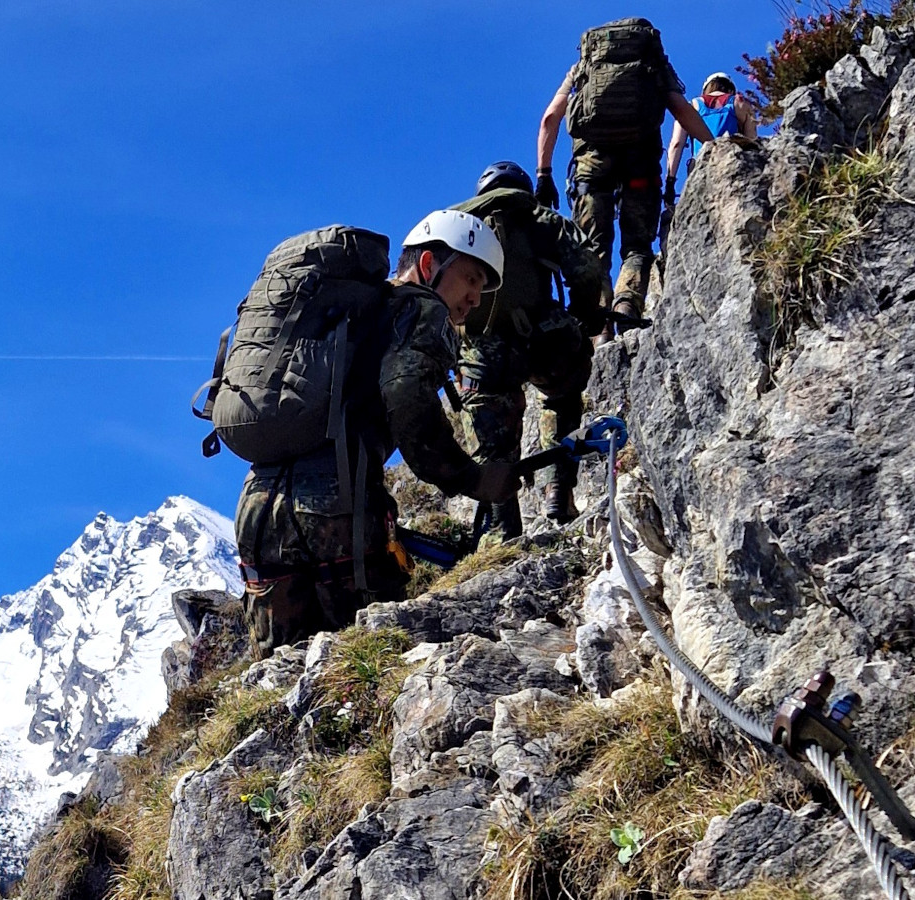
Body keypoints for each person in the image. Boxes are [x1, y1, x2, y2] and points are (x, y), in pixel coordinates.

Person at [236, 211, 520, 657]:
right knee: (367, 657)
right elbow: (408, 399)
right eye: (470, 278)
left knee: (284, 675)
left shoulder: (349, 313)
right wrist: (471, 478)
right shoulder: (422, 309)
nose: (474, 298)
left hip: (257, 506)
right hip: (336, 507)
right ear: (429, 266)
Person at [452, 162, 612, 536]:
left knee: (493, 446)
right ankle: (558, 490)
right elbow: (587, 269)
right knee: (561, 398)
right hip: (546, 337)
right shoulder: (540, 216)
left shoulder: (458, 225)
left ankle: (505, 532)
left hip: (482, 353)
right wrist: (584, 317)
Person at [535, 18, 715, 334]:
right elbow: (683, 111)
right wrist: (716, 147)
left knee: (594, 251)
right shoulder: (652, 65)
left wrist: (543, 174)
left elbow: (550, 118)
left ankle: (600, 330)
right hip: (641, 167)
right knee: (637, 247)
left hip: (592, 170)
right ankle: (628, 307)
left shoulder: (582, 69)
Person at [661, 72, 758, 232]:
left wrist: (670, 183)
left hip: (700, 168)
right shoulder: (740, 104)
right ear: (731, 89)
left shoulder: (692, 106)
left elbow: (676, 144)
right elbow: (752, 144)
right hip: (732, 164)